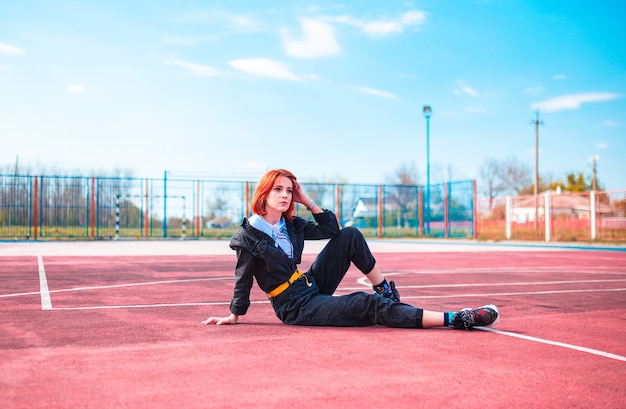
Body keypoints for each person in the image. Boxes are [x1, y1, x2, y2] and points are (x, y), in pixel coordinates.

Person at [202, 169, 499, 330]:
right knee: (366, 305)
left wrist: (307, 201)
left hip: (309, 284)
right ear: (263, 194)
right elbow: (242, 280)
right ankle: (458, 319)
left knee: (350, 235)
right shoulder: (248, 237)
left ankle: (385, 291)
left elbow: (332, 231)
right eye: (277, 189)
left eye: (289, 190)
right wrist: (234, 315)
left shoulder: (290, 224)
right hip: (294, 305)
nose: (284, 195)